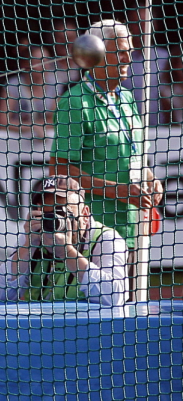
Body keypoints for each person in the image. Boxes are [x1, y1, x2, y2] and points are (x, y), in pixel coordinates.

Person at [48, 19, 163, 296]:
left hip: (134, 226)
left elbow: (136, 155)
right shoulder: (75, 103)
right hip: (95, 235)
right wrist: (120, 192)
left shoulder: (127, 98)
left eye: (131, 50)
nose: (129, 57)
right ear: (96, 54)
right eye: (121, 51)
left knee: (136, 309)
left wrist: (151, 179)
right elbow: (60, 171)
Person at [0, 176, 128, 308]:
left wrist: (67, 252)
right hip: (40, 327)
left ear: (85, 214)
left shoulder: (106, 240)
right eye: (48, 214)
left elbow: (115, 297)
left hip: (88, 326)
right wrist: (28, 248)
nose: (55, 221)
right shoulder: (34, 236)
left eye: (62, 212)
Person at [0, 45, 62, 138]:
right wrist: (31, 127)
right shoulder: (13, 85)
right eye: (38, 62)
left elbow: (56, 119)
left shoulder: (55, 85)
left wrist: (40, 127)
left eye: (46, 61)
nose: (44, 66)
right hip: (15, 140)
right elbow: (3, 122)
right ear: (25, 64)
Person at [123, 7, 171, 129]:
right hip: (126, 128)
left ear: (153, 25)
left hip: (159, 130)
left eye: (145, 23)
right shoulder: (120, 58)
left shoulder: (165, 58)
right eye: (136, 22)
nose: (140, 28)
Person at [45, 19, 83, 87]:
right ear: (51, 40)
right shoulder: (46, 67)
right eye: (60, 37)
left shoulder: (85, 65)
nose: (65, 42)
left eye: (70, 38)